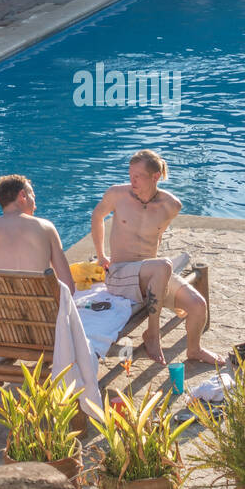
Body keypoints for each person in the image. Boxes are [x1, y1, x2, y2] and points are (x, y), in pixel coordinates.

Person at [90, 150, 221, 366]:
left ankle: (194, 350)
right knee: (163, 265)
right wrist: (101, 254)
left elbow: (157, 238)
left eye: (138, 176)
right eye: (130, 174)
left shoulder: (171, 206)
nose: (132, 180)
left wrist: (164, 289)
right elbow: (97, 216)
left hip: (150, 275)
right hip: (120, 274)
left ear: (155, 177)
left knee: (198, 305)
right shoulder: (117, 195)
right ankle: (152, 333)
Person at [0, 174, 77, 296]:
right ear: (23, 195)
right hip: (43, 311)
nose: (35, 205)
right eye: (33, 197)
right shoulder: (45, 227)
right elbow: (68, 288)